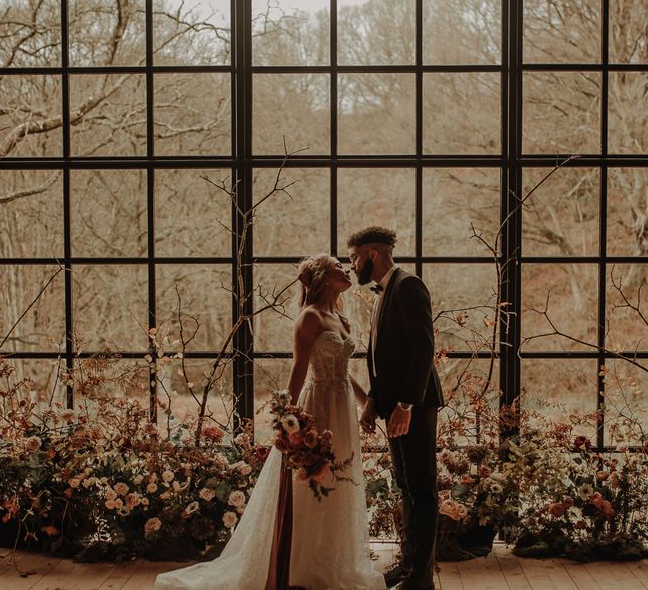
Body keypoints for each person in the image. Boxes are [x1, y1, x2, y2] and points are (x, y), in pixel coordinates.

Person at [156, 254, 385, 590]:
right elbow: (298, 370)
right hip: (316, 406)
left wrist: (367, 404)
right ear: (322, 277)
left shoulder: (342, 317)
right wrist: (289, 419)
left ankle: (331, 562)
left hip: (342, 409)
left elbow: (345, 372)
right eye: (339, 268)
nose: (347, 270)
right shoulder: (308, 317)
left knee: (339, 481)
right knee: (308, 482)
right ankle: (299, 566)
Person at [348, 227, 444, 590]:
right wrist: (374, 402)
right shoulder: (384, 293)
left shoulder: (408, 285)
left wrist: (405, 404)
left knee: (421, 489)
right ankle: (408, 568)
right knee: (406, 487)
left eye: (355, 258)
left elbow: (423, 351)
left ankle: (420, 579)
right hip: (393, 407)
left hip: (413, 407)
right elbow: (387, 359)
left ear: (372, 254)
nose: (353, 265)